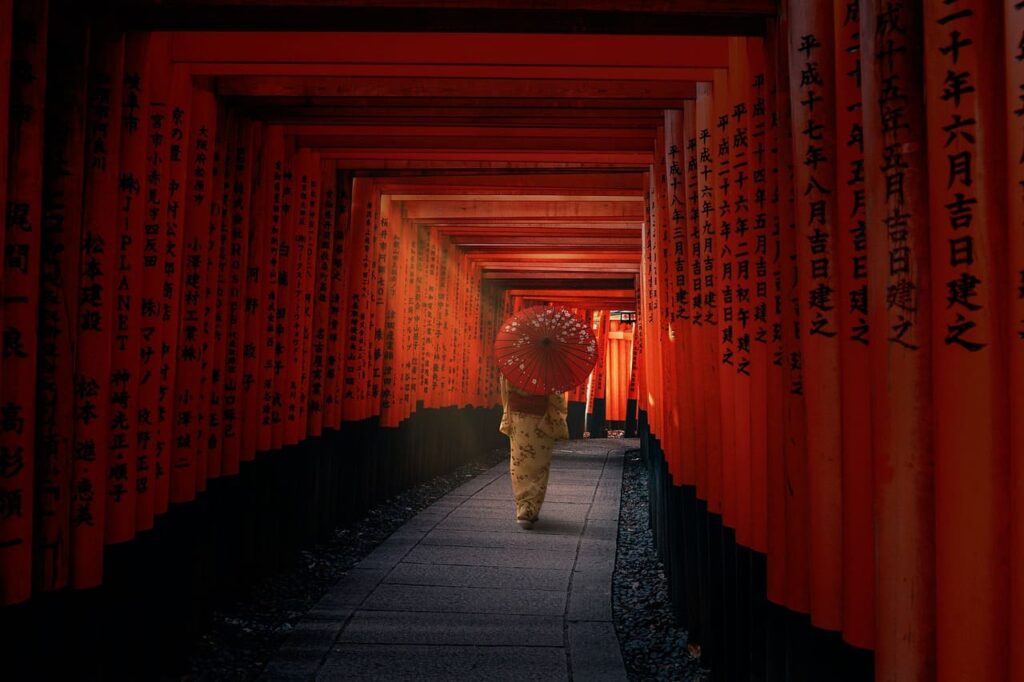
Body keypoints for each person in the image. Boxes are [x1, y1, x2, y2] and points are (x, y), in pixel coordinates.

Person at [499, 374, 569, 530]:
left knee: (519, 464)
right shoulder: (549, 368)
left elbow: (505, 391)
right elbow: (557, 399)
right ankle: (531, 510)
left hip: (518, 420)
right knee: (539, 466)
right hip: (541, 421)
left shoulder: (512, 365)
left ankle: (522, 507)